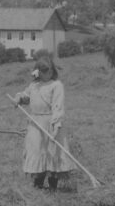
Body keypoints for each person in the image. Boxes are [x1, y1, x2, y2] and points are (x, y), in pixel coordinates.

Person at [10, 54, 73, 190]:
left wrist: (56, 125)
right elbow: (26, 97)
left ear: (53, 70)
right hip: (35, 123)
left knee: (52, 151)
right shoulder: (34, 85)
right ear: (38, 72)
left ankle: (52, 185)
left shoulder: (56, 85)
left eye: (50, 70)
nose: (48, 74)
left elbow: (58, 106)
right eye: (44, 71)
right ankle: (38, 184)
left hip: (51, 122)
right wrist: (19, 98)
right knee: (36, 150)